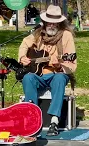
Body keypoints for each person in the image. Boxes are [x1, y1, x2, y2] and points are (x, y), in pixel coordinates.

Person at [18, 5, 77, 136]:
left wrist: (60, 65)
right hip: (39, 75)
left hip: (57, 74)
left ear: (60, 23)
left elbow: (72, 64)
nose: (51, 25)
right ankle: (32, 118)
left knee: (60, 78)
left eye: (55, 22)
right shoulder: (38, 33)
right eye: (49, 21)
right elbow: (24, 44)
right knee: (28, 78)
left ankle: (54, 121)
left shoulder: (66, 36)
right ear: (44, 22)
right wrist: (23, 57)